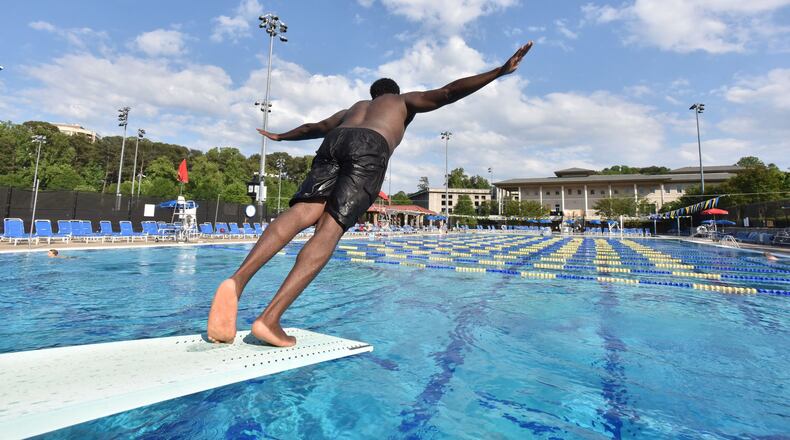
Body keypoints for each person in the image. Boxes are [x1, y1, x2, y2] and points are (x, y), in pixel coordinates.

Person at [207, 41, 534, 346]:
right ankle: (269, 318)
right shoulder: (402, 102)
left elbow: (313, 128)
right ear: (393, 93)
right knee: (329, 228)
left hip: (335, 141)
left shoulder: (354, 107)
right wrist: (498, 72)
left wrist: (280, 136)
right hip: (369, 147)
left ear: (371, 95)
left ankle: (237, 280)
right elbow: (447, 92)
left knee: (303, 212)